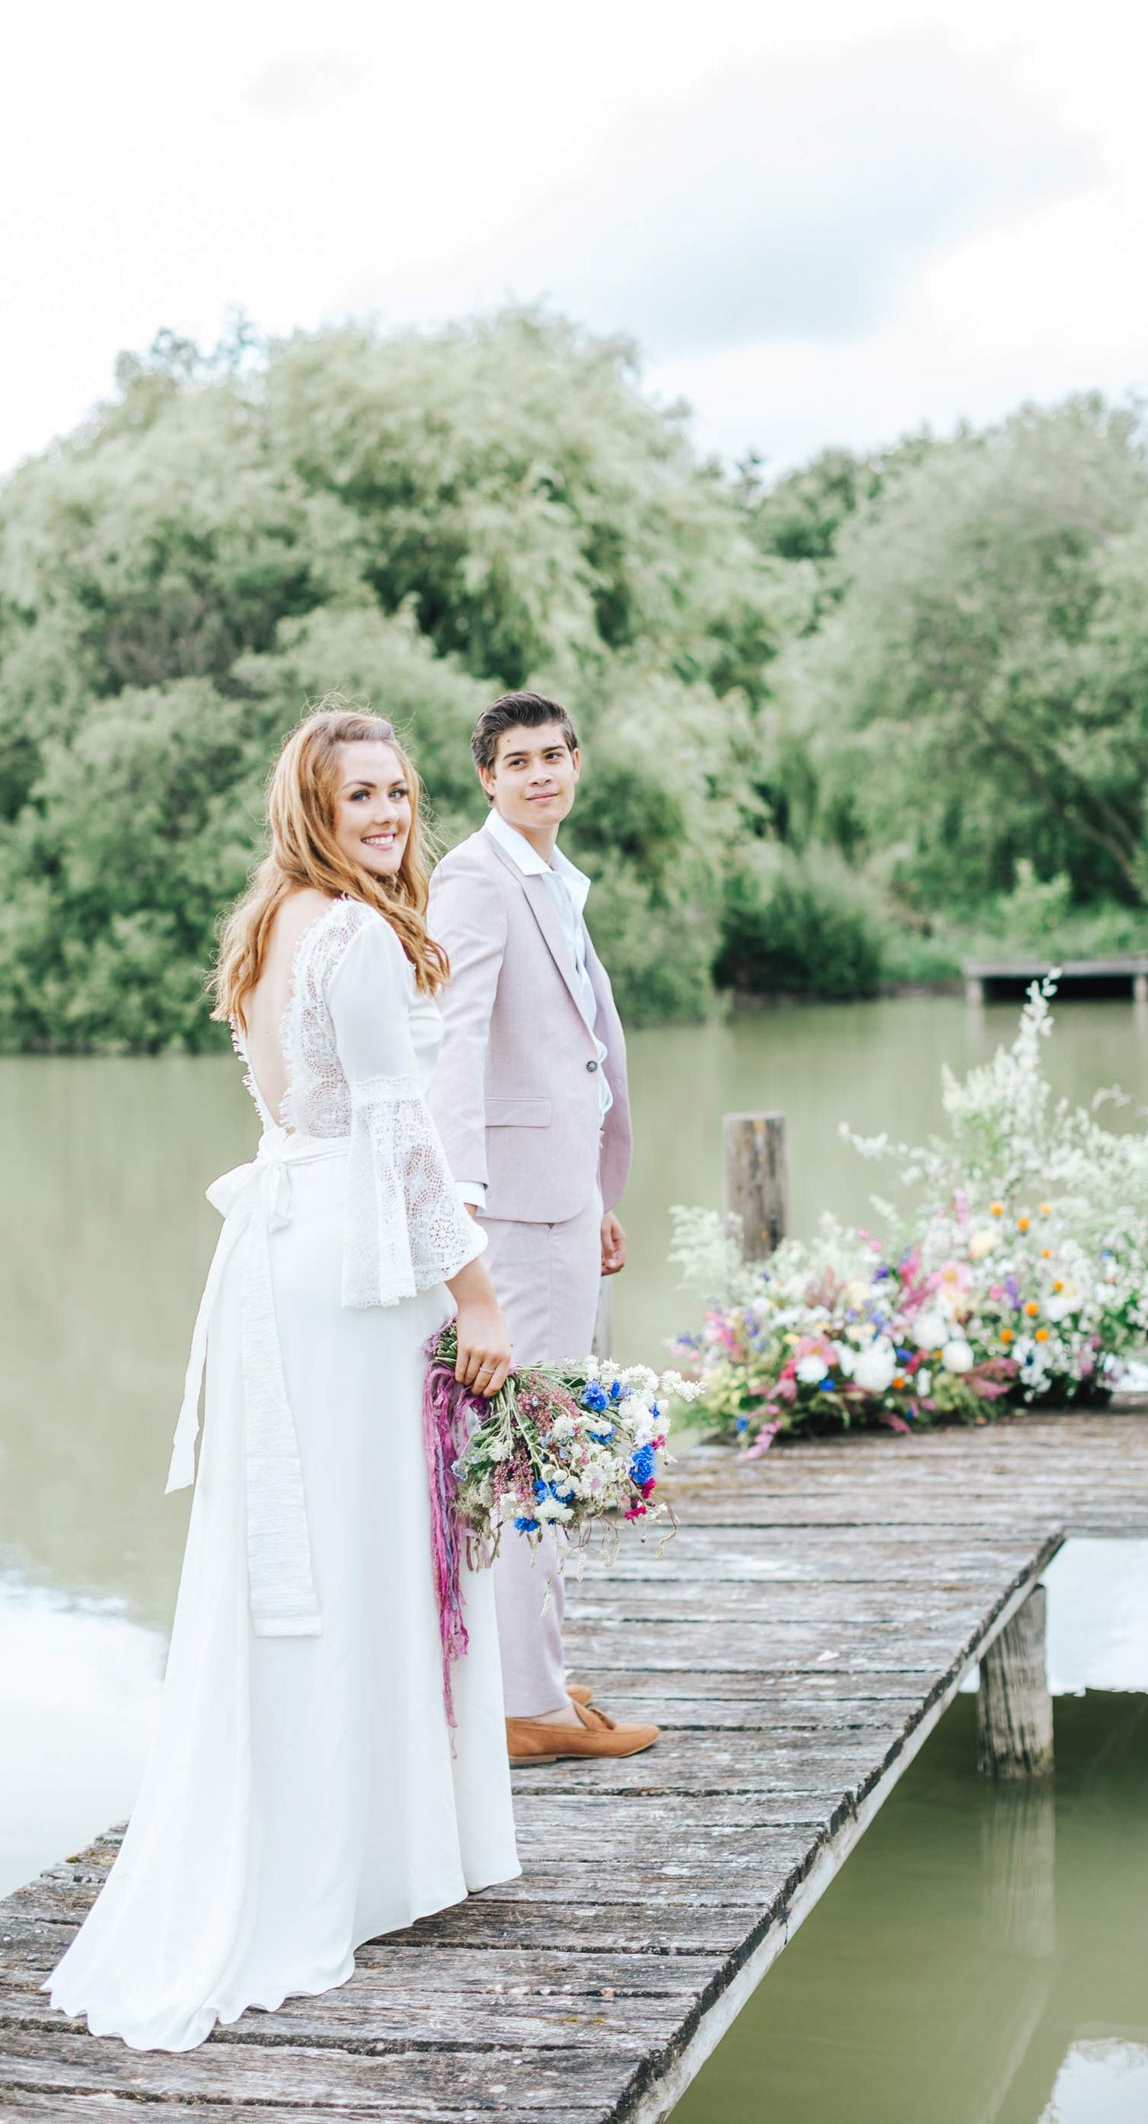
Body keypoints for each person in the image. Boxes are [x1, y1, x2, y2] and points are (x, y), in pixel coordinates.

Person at [45, 709, 520, 2052]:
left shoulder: (274, 921)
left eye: (401, 791)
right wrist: (477, 1291)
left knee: (309, 1559)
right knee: (370, 1549)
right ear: (311, 804)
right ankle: (357, 1863)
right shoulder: (359, 934)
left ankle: (344, 1842)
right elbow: (401, 1133)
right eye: (360, 793)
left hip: (286, 1260)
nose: (389, 813)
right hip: (352, 1274)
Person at [428, 690, 659, 1765]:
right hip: (508, 1214)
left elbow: (570, 1058)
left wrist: (593, 1193)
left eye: (555, 755)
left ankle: (537, 1679)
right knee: (527, 1456)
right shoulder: (476, 879)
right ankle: (527, 1710)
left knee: (544, 1446)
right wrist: (462, 1214)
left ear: (576, 765)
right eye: (517, 760)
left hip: (560, 1202)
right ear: (485, 777)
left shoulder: (552, 881)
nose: (540, 774)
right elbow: (455, 1044)